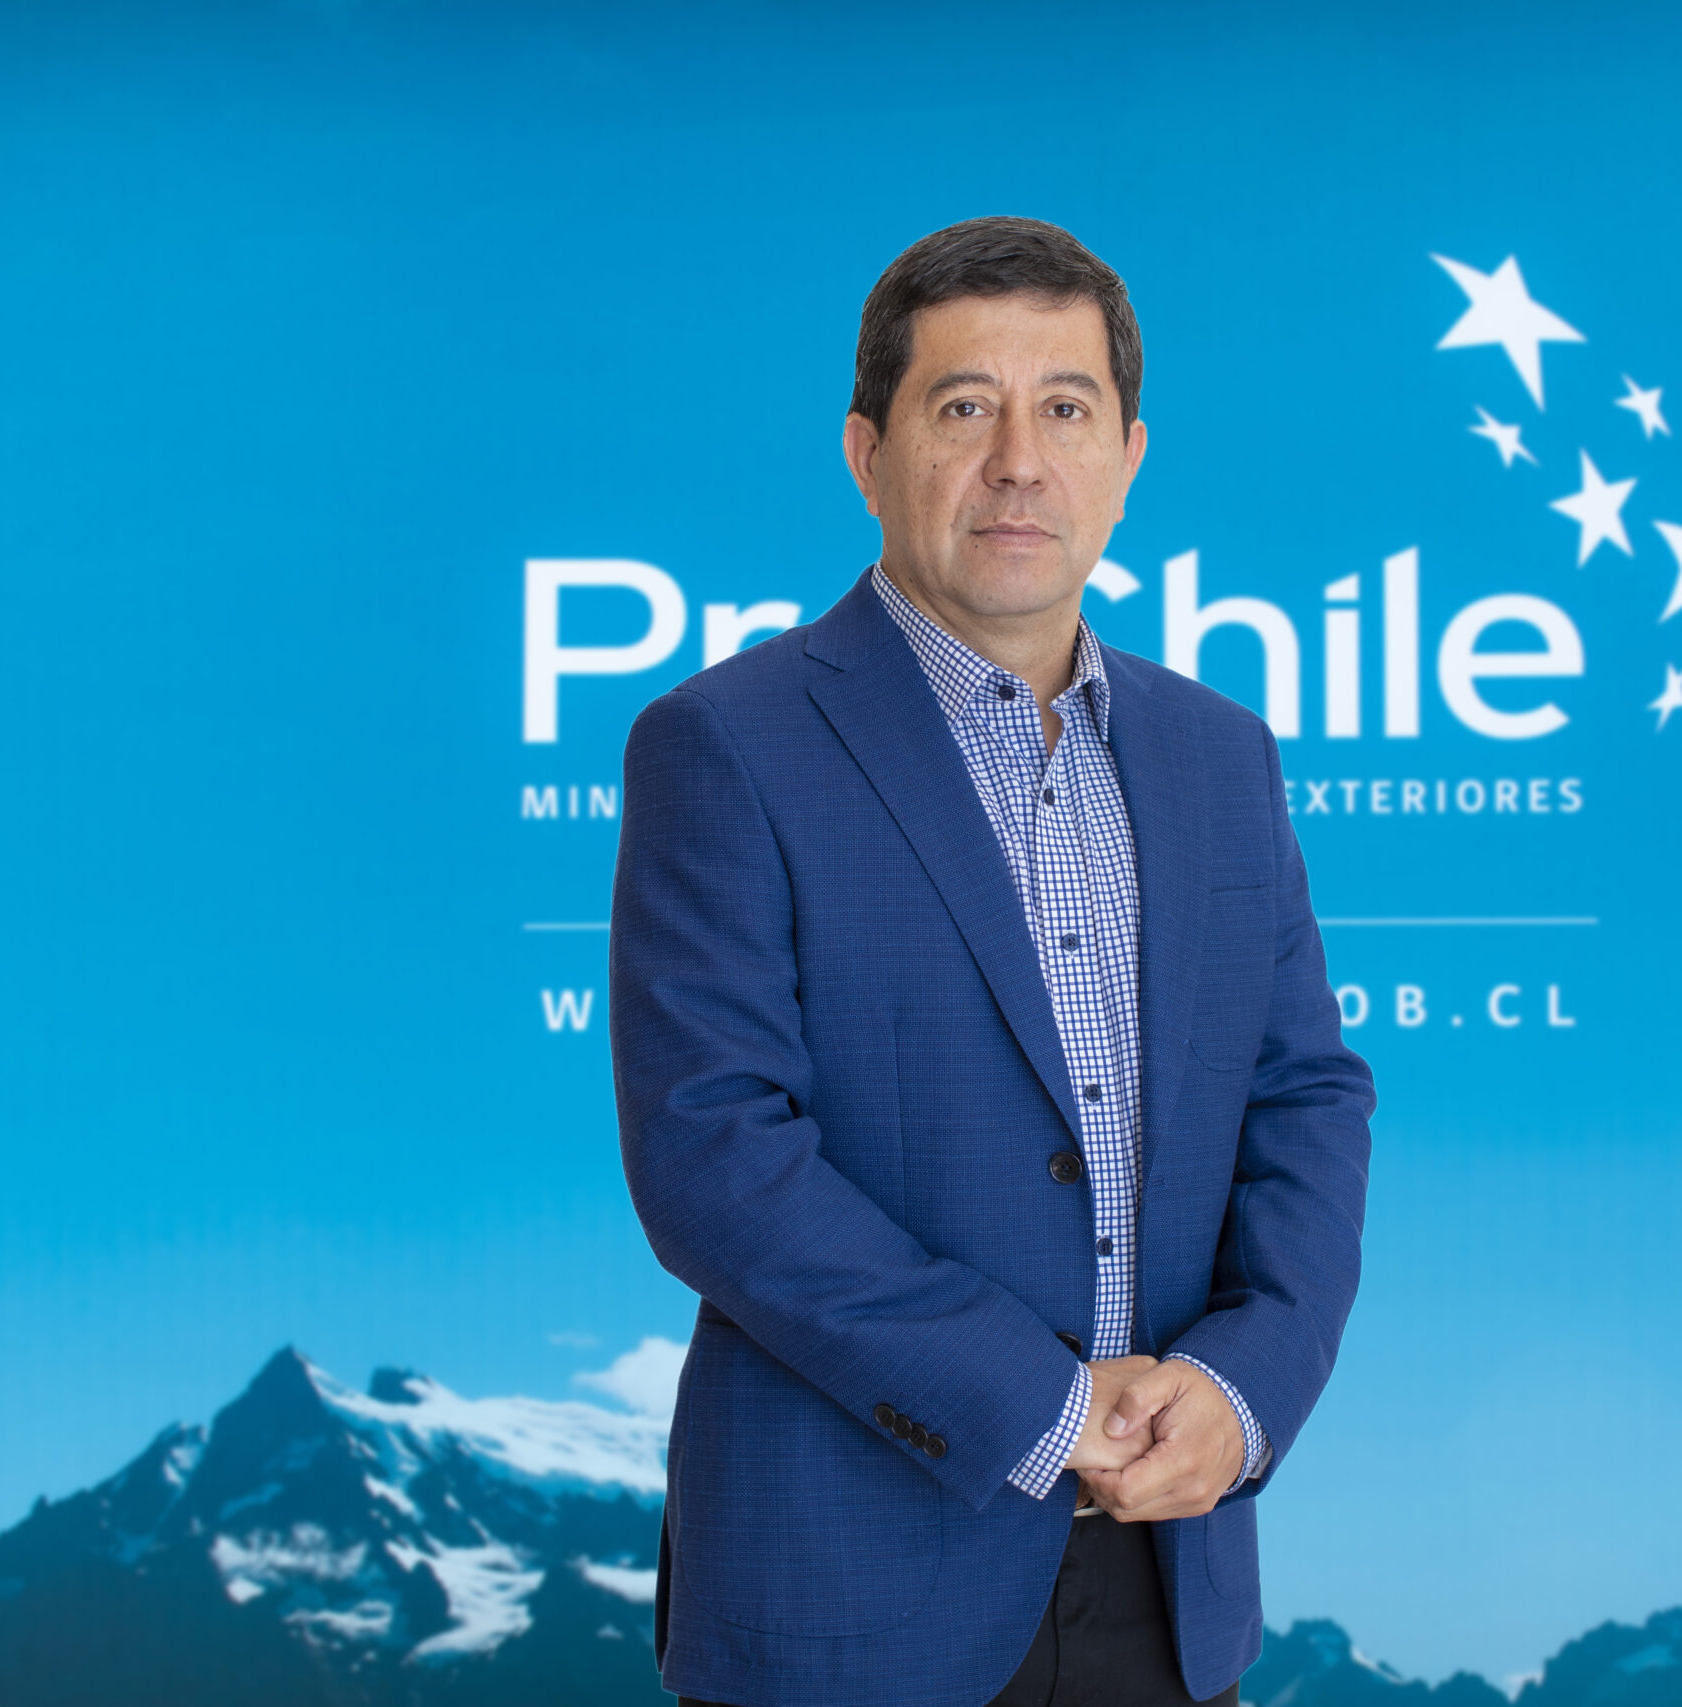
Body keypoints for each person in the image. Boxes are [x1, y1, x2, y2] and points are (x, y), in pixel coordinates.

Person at [610, 215, 1373, 1707]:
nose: (1021, 460)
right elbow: (714, 1158)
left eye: (1066, 409)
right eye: (965, 407)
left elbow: (1305, 1099)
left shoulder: (1222, 756)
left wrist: (1244, 1390)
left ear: (1128, 458)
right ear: (867, 452)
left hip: (1171, 1574)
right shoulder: (725, 746)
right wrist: (1041, 1407)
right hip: (847, 1589)